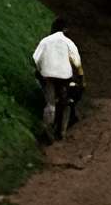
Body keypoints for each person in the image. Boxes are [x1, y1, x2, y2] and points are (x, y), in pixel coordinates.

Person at [32, 15, 84, 143]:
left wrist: (40, 71)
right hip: (65, 77)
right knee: (65, 101)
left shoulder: (45, 41)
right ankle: (62, 131)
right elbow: (77, 63)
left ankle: (47, 128)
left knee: (50, 104)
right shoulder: (69, 42)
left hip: (49, 76)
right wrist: (81, 78)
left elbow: (36, 59)